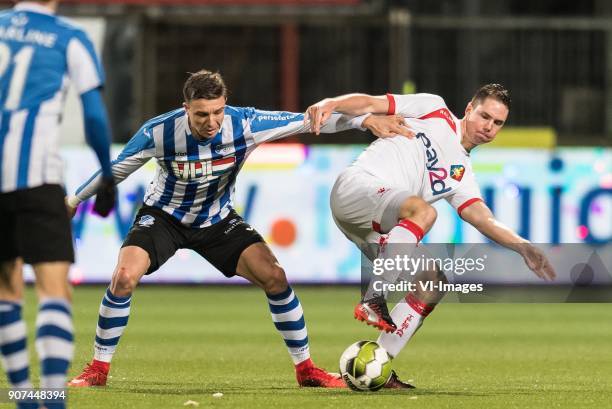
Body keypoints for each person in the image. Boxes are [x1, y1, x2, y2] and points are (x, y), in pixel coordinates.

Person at [65, 69, 409, 389]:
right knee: (123, 277)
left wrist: (365, 120)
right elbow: (116, 169)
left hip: (217, 221)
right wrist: (73, 200)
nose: (211, 122)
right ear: (185, 108)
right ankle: (97, 370)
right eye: (201, 114)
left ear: (224, 105)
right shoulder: (159, 131)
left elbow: (310, 120)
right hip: (163, 217)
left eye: (217, 112)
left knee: (274, 276)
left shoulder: (245, 123)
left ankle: (306, 371)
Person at [307, 84, 556, 388]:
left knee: (432, 282)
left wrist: (523, 246)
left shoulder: (462, 173)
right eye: (484, 116)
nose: (488, 127)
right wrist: (332, 101)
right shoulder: (433, 108)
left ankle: (380, 365)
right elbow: (371, 103)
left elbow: (482, 216)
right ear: (468, 109)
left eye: (497, 123)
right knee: (423, 212)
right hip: (359, 186)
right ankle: (374, 297)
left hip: (374, 223)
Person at [0, 1, 115, 408]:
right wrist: (105, 173)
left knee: (6, 290)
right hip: (37, 177)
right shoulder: (69, 38)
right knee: (53, 290)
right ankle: (52, 398)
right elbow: (94, 115)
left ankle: (22, 398)